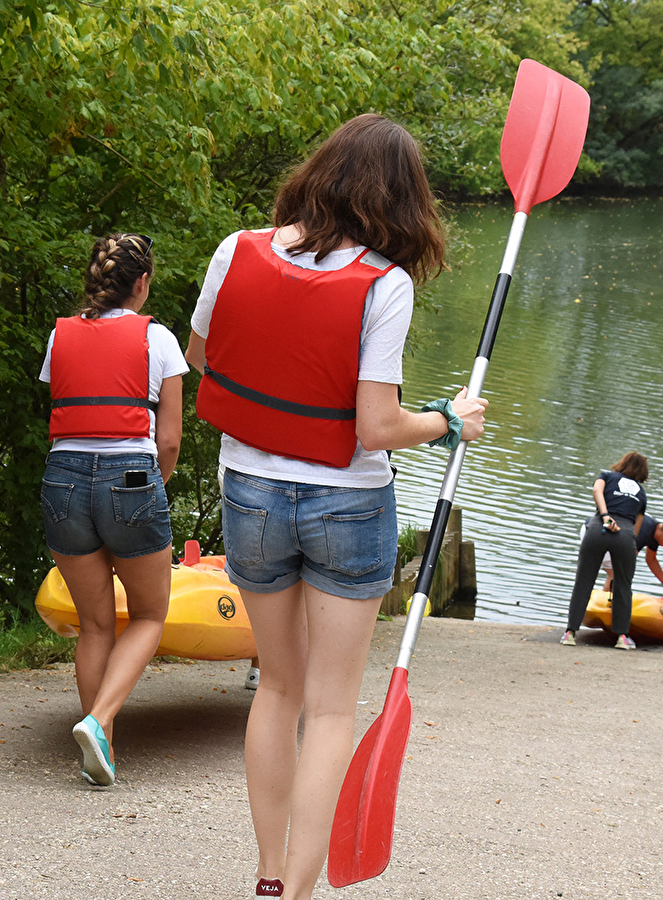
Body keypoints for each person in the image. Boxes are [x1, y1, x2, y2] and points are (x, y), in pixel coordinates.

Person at [185, 114, 486, 900]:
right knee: (327, 708)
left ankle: (267, 876)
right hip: (347, 505)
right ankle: (300, 893)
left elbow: (199, 357)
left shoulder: (236, 247)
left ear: (318, 173)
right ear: (403, 204)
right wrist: (449, 421)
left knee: (277, 689)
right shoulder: (384, 285)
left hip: (248, 495)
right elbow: (376, 427)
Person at [39, 233, 186, 787]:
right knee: (148, 615)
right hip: (130, 479)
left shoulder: (60, 335)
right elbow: (168, 441)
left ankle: (100, 748)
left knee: (95, 625)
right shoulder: (160, 339)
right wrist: (152, 488)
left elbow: (64, 409)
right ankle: (98, 723)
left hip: (62, 482)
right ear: (142, 283)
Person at [562, 452, 649, 650]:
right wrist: (626, 541)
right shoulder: (641, 493)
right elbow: (637, 527)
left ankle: (570, 633)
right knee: (623, 586)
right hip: (625, 534)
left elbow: (596, 491)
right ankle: (622, 638)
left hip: (597, 529)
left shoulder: (607, 476)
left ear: (623, 463)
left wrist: (605, 516)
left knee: (583, 581)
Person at [600, 517, 663, 595]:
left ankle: (606, 600)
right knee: (619, 575)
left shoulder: (656, 531)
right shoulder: (643, 531)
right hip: (601, 534)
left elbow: (651, 559)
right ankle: (606, 603)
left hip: (607, 534)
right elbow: (626, 561)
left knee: (618, 574)